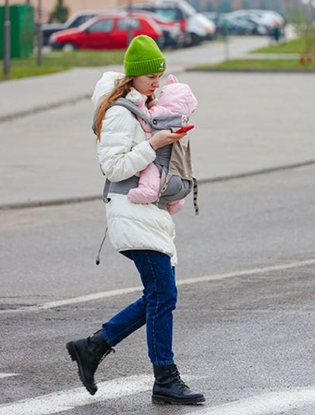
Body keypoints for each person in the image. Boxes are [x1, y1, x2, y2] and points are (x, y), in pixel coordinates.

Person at [66, 35, 205, 406]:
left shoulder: (142, 107)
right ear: (134, 77)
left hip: (146, 214)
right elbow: (112, 166)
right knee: (164, 295)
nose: (157, 83)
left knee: (158, 295)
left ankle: (92, 347)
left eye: (160, 76)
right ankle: (165, 377)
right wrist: (154, 144)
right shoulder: (118, 113)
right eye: (151, 78)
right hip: (129, 210)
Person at [127, 73, 198, 216]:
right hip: (173, 162)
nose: (158, 86)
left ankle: (149, 191)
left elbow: (147, 121)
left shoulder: (161, 111)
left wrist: (140, 104)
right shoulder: (181, 117)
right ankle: (176, 201)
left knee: (149, 170)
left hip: (157, 157)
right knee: (169, 173)